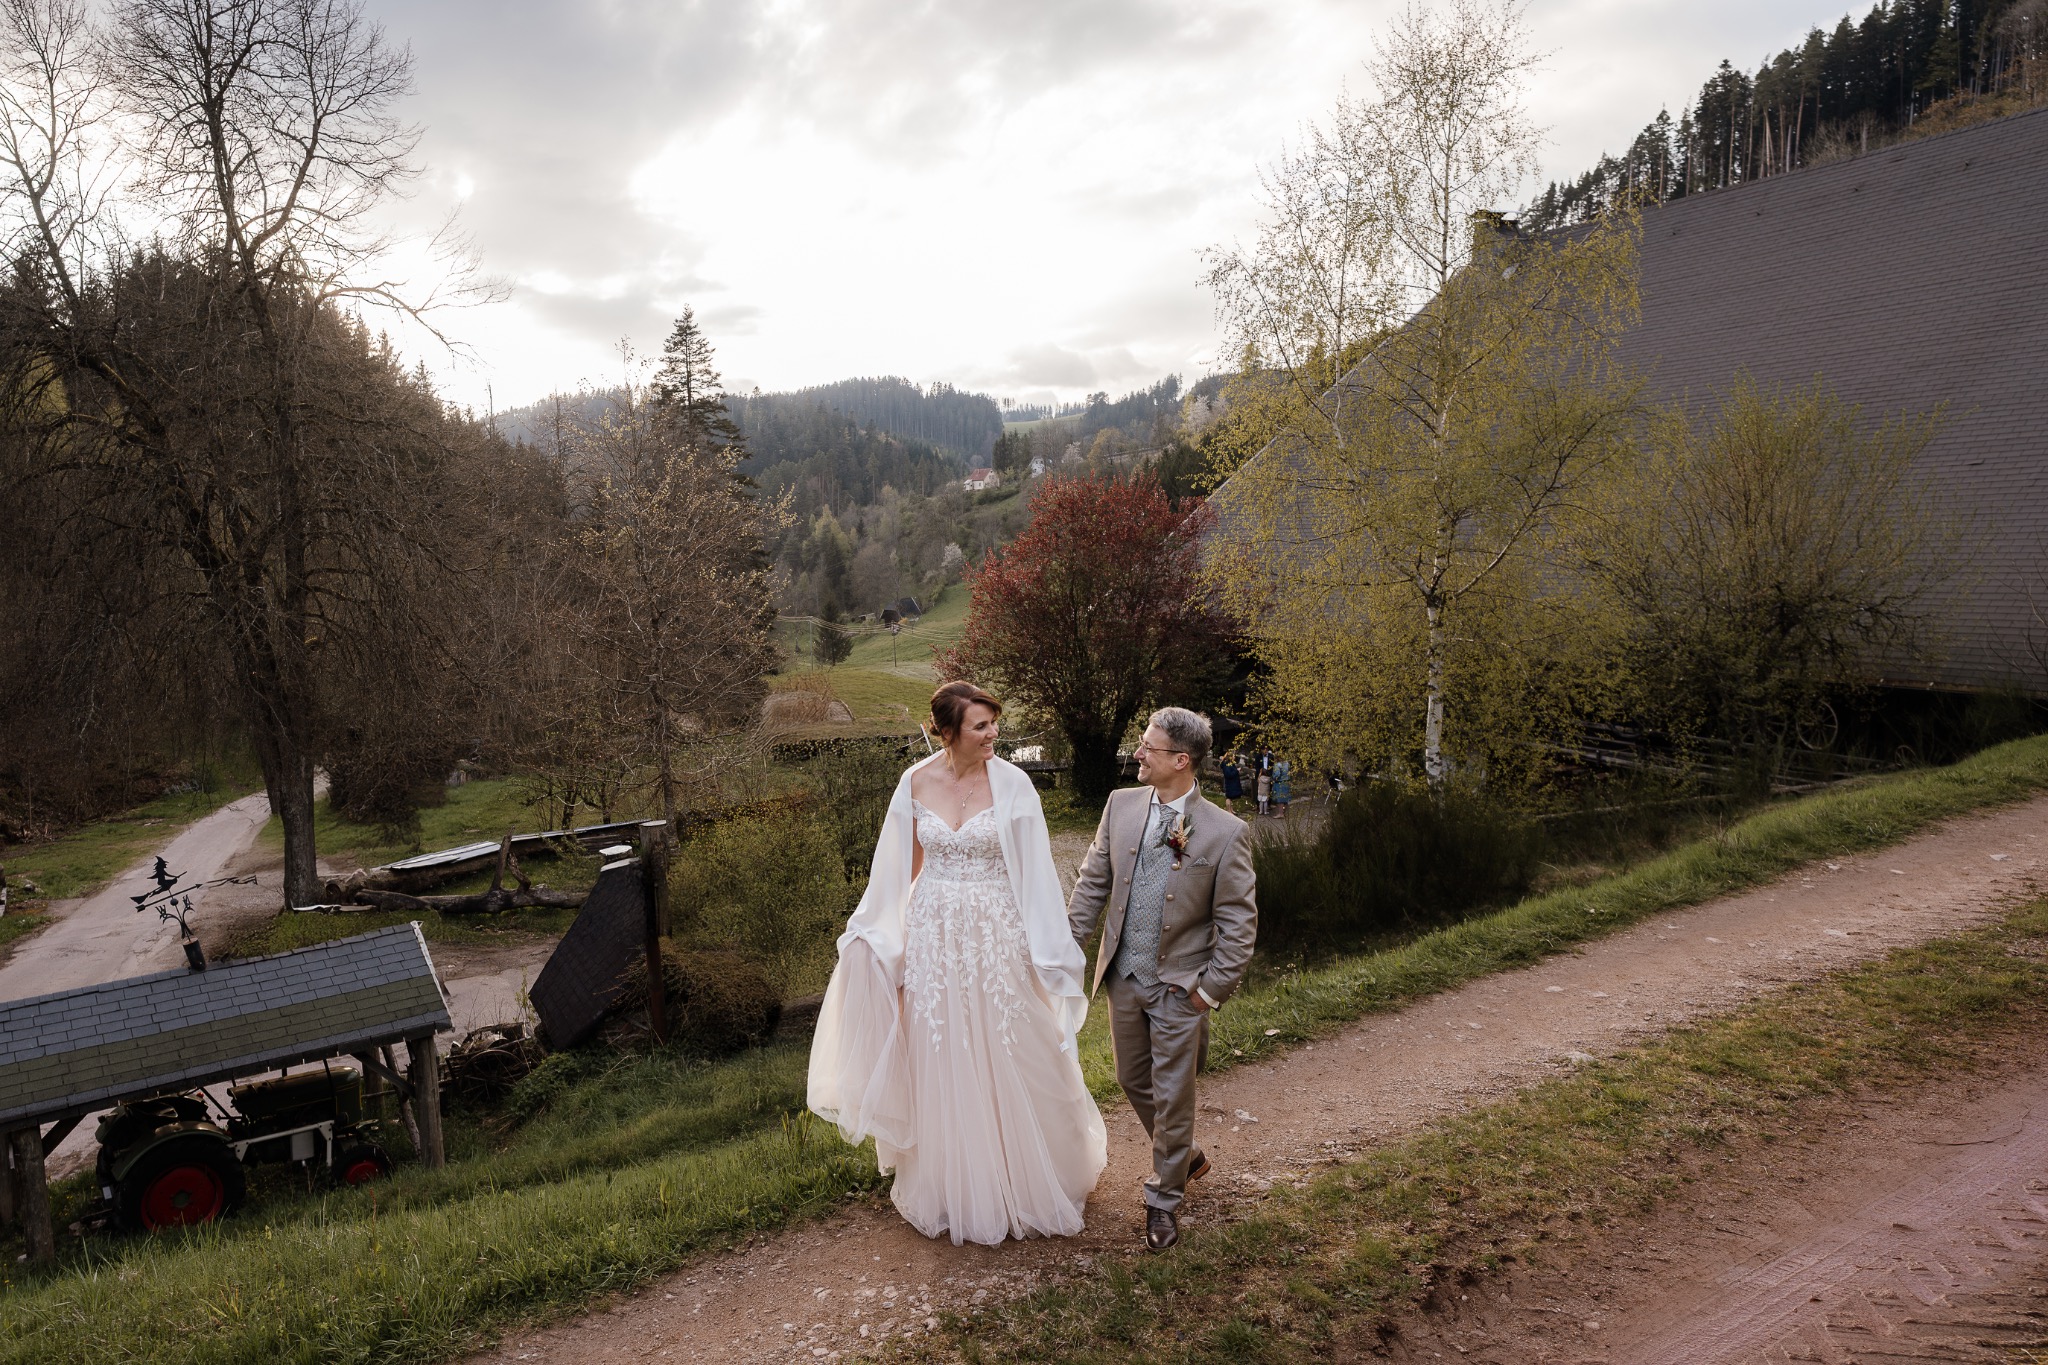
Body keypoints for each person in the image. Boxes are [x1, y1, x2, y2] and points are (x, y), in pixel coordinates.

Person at [808, 681, 1107, 1245]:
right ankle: (955, 1186)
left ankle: (1033, 1177)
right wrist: (874, 933)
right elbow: (897, 867)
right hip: (933, 935)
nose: (993, 734)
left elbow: (1037, 873)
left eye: (994, 723)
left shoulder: (1015, 784)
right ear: (947, 732)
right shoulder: (914, 782)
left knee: (1016, 1041)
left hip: (996, 936)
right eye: (980, 726)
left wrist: (1048, 949)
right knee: (941, 1049)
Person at [1068, 707, 1258, 1252]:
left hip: (1181, 987)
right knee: (1132, 1079)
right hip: (1124, 976)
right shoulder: (1120, 805)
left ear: (1181, 760)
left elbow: (1238, 924)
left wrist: (1209, 992)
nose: (1138, 752)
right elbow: (1093, 883)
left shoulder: (1226, 832)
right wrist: (1065, 949)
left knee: (1173, 1095)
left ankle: (1163, 1199)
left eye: (1148, 746)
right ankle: (1186, 1156)